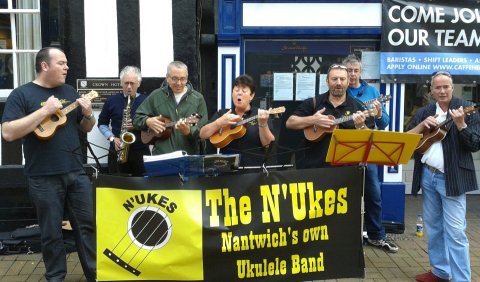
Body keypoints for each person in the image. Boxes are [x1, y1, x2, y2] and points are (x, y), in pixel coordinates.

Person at [1, 47, 96, 281]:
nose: (66, 67)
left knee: (87, 227)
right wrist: (45, 110)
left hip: (75, 171)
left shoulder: (69, 91)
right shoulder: (22, 94)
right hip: (43, 176)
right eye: (61, 63)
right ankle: (55, 277)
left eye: (66, 63)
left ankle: (96, 275)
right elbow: (8, 133)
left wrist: (88, 114)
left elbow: (86, 128)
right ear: (45, 66)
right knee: (51, 232)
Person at [407, 71, 480, 282]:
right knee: (434, 228)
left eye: (446, 86)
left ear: (452, 87)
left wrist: (461, 125)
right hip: (428, 177)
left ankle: (461, 279)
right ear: (431, 91)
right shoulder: (425, 111)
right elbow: (407, 138)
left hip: (453, 178)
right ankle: (440, 271)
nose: (442, 91)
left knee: (456, 232)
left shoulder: (467, 108)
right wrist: (422, 125)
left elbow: (475, 143)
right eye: (437, 87)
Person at [342, 54, 398, 253]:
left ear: (360, 71)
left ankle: (376, 236)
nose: (353, 75)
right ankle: (344, 236)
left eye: (356, 70)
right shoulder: (338, 91)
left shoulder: (372, 92)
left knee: (373, 194)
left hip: (368, 150)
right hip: (344, 150)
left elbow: (385, 123)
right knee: (344, 195)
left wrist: (380, 112)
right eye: (349, 71)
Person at [286, 63, 374, 168]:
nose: (338, 83)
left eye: (342, 79)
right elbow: (290, 123)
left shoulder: (359, 106)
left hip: (347, 171)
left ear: (348, 82)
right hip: (313, 169)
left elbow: (371, 143)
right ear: (327, 81)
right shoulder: (314, 102)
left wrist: (361, 126)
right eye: (334, 79)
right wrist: (313, 120)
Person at [199, 74, 275, 167]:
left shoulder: (260, 114)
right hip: (227, 171)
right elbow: (202, 134)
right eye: (236, 90)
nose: (239, 93)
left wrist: (263, 124)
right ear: (232, 93)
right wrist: (219, 123)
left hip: (253, 172)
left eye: (244, 90)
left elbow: (268, 145)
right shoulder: (224, 114)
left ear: (252, 95)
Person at [133, 61, 208, 155]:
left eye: (183, 79)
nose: (179, 83)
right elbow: (136, 118)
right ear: (167, 78)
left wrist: (189, 131)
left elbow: (203, 129)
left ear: (187, 78)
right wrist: (147, 121)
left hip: (189, 156)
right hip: (162, 156)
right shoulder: (156, 95)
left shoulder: (198, 98)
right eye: (174, 79)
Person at [97, 66, 149, 176]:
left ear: (139, 83)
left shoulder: (147, 101)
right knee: (117, 187)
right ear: (121, 83)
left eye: (132, 83)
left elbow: (153, 124)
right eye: (126, 83)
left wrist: (138, 125)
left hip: (140, 152)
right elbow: (102, 123)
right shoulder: (111, 100)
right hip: (117, 150)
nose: (129, 87)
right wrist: (112, 138)